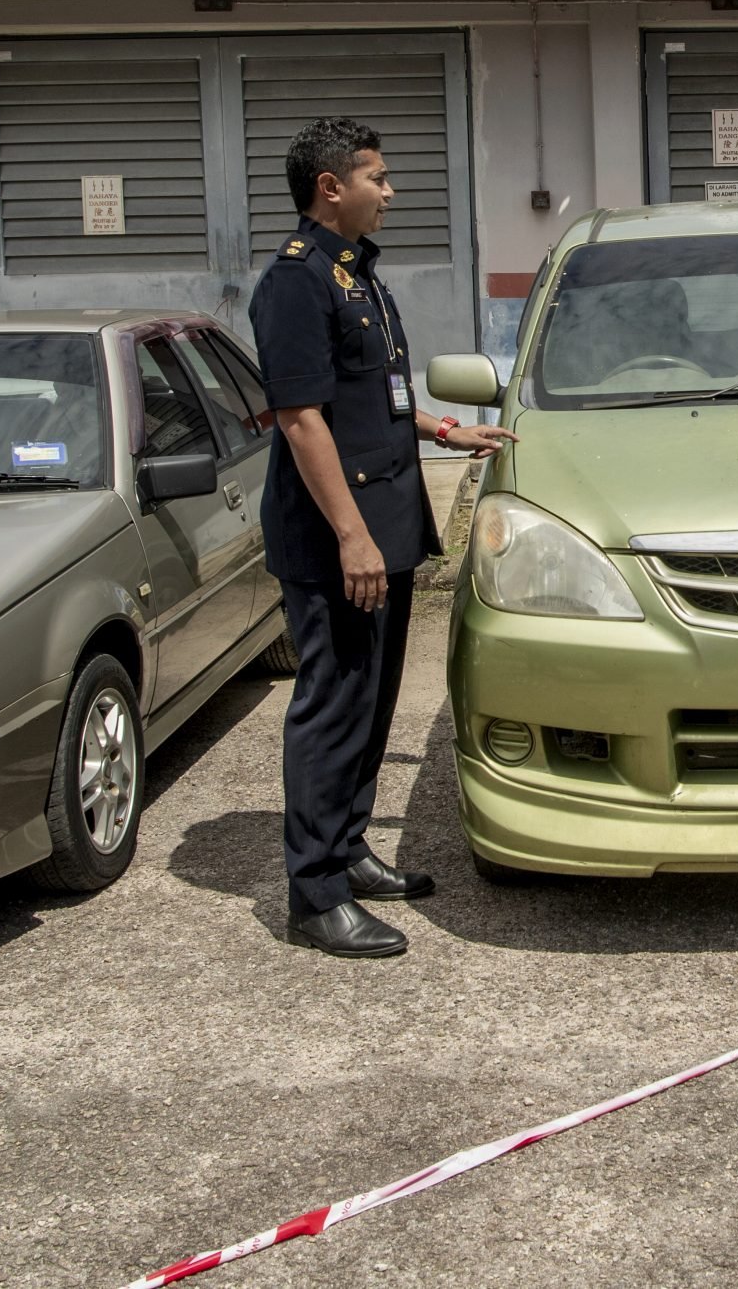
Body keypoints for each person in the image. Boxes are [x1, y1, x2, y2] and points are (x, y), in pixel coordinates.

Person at [251, 117, 514, 958]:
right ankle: (316, 891)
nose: (390, 191)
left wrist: (443, 428)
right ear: (332, 186)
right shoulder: (296, 283)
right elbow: (302, 422)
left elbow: (376, 399)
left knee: (372, 704)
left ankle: (351, 848)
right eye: (378, 177)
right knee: (332, 706)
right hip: (342, 538)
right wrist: (353, 538)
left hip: (387, 523)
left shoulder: (357, 274)